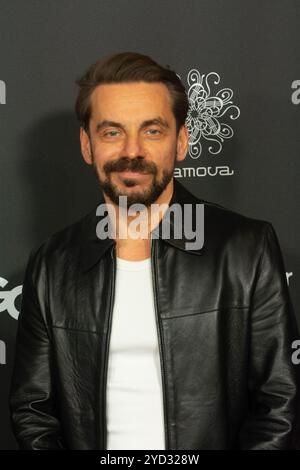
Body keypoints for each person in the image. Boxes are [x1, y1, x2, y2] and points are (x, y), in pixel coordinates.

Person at [9, 52, 299, 450]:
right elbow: (33, 411)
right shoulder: (52, 263)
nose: (133, 151)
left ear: (180, 141)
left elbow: (278, 404)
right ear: (86, 145)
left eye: (152, 131)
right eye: (112, 132)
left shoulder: (246, 248)